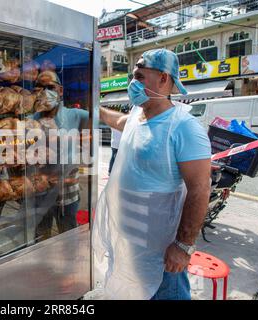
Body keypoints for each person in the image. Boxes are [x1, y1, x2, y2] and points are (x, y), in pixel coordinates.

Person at [94, 48, 211, 300]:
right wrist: (97, 110)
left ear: (163, 78)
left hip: (162, 247)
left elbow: (200, 188)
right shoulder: (138, 117)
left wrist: (182, 246)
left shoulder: (184, 127)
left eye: (139, 76)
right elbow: (120, 122)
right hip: (131, 240)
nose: (132, 84)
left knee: (167, 293)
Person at [34, 70, 90, 240]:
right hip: (40, 190)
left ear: (60, 90)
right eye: (40, 88)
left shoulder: (75, 115)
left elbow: (97, 124)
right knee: (41, 236)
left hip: (67, 190)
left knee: (68, 236)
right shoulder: (32, 119)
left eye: (50, 87)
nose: (45, 92)